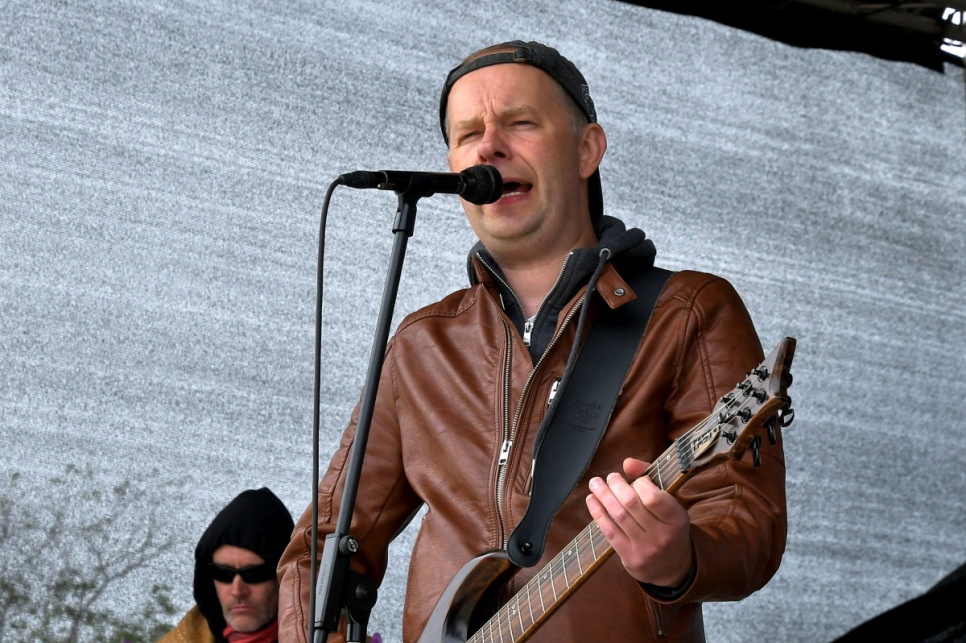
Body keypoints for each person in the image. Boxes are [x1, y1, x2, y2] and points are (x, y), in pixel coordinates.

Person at [278, 40, 787, 642]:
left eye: (520, 123)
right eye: (469, 134)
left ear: (587, 149)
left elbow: (745, 514)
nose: (489, 147)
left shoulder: (688, 312)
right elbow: (322, 547)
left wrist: (681, 557)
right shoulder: (422, 344)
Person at [161, 487, 294, 643]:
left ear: (286, 579)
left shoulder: (316, 636)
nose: (237, 591)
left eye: (254, 574)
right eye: (223, 573)